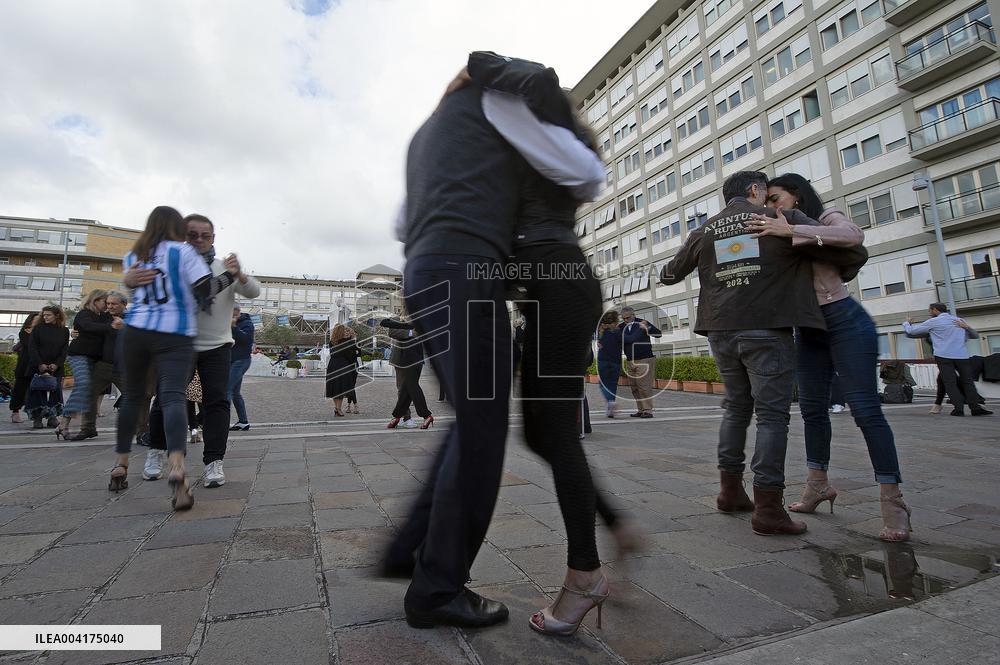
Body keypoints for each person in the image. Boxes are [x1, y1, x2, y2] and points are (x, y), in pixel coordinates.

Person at [383, 51, 596, 631]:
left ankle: (410, 550)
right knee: (481, 433)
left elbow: (403, 223)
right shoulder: (496, 102)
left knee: (472, 421)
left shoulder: (425, 133)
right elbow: (584, 172)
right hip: (468, 269)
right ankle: (436, 591)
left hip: (422, 270)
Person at [660, 171, 868, 536]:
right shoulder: (779, 218)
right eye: (765, 192)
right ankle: (768, 508)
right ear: (755, 190)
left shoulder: (706, 228)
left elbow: (669, 275)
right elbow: (852, 249)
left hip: (720, 329)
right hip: (767, 327)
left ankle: (730, 493)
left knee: (736, 409)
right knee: (772, 416)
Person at [751, 172, 910, 541]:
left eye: (776, 198)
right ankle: (817, 486)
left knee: (866, 411)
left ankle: (894, 502)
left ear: (797, 197)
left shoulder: (823, 219)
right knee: (811, 411)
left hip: (844, 320)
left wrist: (791, 231)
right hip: (806, 329)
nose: (771, 207)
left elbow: (854, 236)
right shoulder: (773, 231)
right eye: (767, 200)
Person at [112, 205, 240, 509]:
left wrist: (128, 282)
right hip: (175, 334)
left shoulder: (134, 255)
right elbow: (205, 289)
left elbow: (126, 291)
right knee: (171, 398)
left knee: (132, 397)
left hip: (137, 331)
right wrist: (230, 276)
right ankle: (177, 468)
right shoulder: (182, 255)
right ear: (178, 230)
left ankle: (121, 463)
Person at [134, 214, 261, 489]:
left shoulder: (220, 267)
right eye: (193, 235)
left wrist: (239, 273)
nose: (200, 241)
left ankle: (214, 461)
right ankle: (156, 451)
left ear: (214, 239)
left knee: (217, 401)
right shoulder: (171, 266)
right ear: (181, 236)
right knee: (166, 398)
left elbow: (254, 292)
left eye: (206, 236)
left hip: (216, 345)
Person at [903, 304, 992, 417]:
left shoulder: (933, 322)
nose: (929, 312)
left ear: (935, 310)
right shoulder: (959, 320)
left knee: (950, 383)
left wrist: (907, 323)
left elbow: (911, 332)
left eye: (930, 310)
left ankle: (958, 409)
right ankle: (975, 408)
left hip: (943, 356)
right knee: (968, 382)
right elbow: (974, 336)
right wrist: (967, 328)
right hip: (961, 355)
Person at [58, 290, 113, 439]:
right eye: (105, 302)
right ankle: (64, 422)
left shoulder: (106, 316)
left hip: (96, 358)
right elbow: (88, 326)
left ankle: (68, 424)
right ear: (95, 300)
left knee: (89, 388)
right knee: (83, 384)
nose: (107, 305)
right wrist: (112, 326)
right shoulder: (84, 314)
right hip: (79, 355)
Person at [73, 292, 127, 440]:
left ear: (124, 304)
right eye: (108, 303)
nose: (109, 307)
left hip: (125, 366)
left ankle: (141, 430)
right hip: (104, 364)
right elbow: (88, 328)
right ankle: (88, 428)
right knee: (89, 394)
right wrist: (75, 334)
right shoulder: (102, 317)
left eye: (113, 304)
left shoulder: (132, 318)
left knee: (135, 398)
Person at [381, 313, 432, 430]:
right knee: (405, 389)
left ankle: (423, 415)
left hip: (413, 360)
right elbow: (390, 329)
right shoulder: (398, 319)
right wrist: (411, 333)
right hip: (403, 360)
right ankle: (401, 416)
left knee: (410, 388)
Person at [26, 306, 69, 429]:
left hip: (56, 366)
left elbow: (65, 349)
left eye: (48, 315)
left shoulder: (64, 330)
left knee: (56, 391)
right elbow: (32, 347)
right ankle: (38, 418)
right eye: (44, 315)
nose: (45, 317)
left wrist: (57, 363)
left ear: (57, 315)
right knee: (38, 391)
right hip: (38, 365)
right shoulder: (38, 329)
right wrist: (40, 363)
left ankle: (52, 417)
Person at [619, 306, 661, 418]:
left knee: (644, 386)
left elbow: (658, 334)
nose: (626, 320)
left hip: (644, 359)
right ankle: (641, 409)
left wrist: (648, 328)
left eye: (627, 317)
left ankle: (648, 410)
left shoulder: (643, 323)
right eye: (623, 318)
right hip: (630, 360)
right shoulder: (621, 327)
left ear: (633, 315)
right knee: (634, 387)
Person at [9, 313, 40, 423]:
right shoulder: (24, 332)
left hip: (36, 364)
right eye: (36, 319)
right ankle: (15, 412)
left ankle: (35, 413)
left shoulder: (41, 331)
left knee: (35, 390)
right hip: (24, 364)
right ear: (30, 320)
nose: (38, 321)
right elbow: (29, 346)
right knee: (19, 389)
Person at [228, 304, 255, 431]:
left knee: (226, 390)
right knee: (234, 392)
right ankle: (243, 421)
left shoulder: (247, 323)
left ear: (237, 312)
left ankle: (221, 421)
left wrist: (233, 327)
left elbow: (246, 339)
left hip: (241, 360)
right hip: (233, 361)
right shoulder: (228, 322)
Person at [326, 324, 360, 416]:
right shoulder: (347, 342)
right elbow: (353, 354)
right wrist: (354, 339)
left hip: (332, 365)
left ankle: (337, 408)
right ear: (341, 332)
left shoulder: (331, 342)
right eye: (344, 330)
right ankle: (338, 409)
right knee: (340, 388)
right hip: (342, 365)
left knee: (334, 388)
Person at [596, 311, 623, 418]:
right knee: (612, 384)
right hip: (616, 362)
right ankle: (610, 407)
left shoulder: (601, 331)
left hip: (603, 361)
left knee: (603, 384)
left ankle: (610, 402)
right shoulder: (619, 332)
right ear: (615, 321)